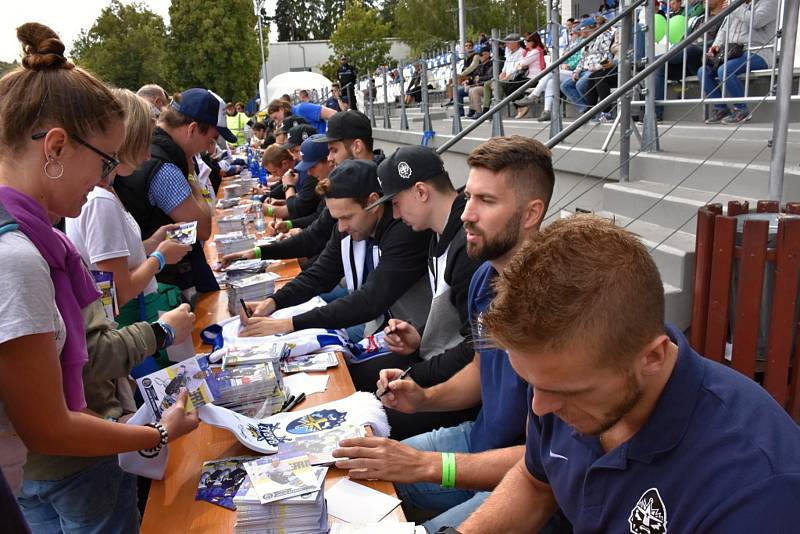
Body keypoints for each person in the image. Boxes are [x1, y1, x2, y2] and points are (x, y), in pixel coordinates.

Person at [458, 215, 800, 533]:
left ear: (652, 357)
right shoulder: (555, 380)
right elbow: (535, 482)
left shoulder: (758, 491)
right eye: (532, 383)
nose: (538, 407)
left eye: (568, 391)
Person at [0, 21, 198, 499]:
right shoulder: (18, 257)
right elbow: (49, 428)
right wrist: (157, 433)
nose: (105, 179)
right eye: (106, 161)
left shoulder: (30, 235)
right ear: (56, 147)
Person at [332, 136, 555, 532]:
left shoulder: (558, 307)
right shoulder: (487, 276)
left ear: (531, 213)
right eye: (469, 197)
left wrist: (426, 465)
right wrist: (423, 399)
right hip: (478, 438)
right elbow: (481, 369)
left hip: (523, 477)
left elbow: (549, 464)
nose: (466, 214)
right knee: (354, 473)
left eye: (486, 201)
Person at [348, 146, 483, 439]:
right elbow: (457, 328)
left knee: (362, 426)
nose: (395, 215)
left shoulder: (467, 246)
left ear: (421, 192)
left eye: (396, 202)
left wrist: (412, 378)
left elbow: (477, 349)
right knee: (354, 380)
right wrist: (420, 334)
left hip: (464, 391)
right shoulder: (437, 233)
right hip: (439, 365)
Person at [239, 159, 431, 340]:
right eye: (337, 218)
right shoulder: (350, 227)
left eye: (346, 217)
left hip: (410, 337)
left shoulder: (405, 231)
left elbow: (370, 300)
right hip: (378, 324)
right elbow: (320, 273)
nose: (340, 227)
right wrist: (273, 302)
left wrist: (288, 324)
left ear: (373, 202)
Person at [115, 88, 237, 299]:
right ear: (191, 129)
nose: (210, 149)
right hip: (161, 288)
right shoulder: (165, 168)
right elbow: (203, 229)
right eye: (211, 140)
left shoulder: (158, 152)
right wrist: (191, 176)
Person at [221, 110, 379, 269]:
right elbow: (317, 236)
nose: (330, 158)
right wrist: (258, 252)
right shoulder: (345, 181)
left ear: (357, 146)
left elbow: (299, 211)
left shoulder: (384, 186)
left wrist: (286, 192)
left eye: (333, 150)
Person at [698, 0, 778, 124]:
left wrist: (734, 7)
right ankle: (721, 109)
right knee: (703, 71)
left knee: (725, 69)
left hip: (758, 52)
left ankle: (741, 110)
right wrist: (715, 47)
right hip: (732, 52)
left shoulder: (770, 2)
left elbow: (757, 21)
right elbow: (723, 30)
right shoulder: (738, 5)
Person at [481, 33, 526, 114]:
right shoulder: (509, 53)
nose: (506, 45)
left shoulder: (522, 52)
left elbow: (517, 69)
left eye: (509, 43)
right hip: (506, 78)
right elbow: (504, 70)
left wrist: (502, 79)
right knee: (487, 84)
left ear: (516, 43)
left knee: (498, 84)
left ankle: (496, 110)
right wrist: (498, 78)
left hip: (514, 78)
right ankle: (485, 110)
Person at [513, 33, 547, 119]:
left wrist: (520, 64)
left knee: (512, 86)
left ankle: (521, 107)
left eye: (528, 41)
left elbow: (523, 63)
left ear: (534, 41)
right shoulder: (529, 51)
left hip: (535, 78)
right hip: (529, 76)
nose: (526, 43)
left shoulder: (536, 51)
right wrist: (520, 64)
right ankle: (520, 107)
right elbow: (520, 63)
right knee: (510, 85)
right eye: (525, 41)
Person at [267, 98, 335, 135]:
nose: (276, 122)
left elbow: (333, 114)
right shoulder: (288, 123)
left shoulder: (301, 109)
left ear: (281, 109)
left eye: (275, 117)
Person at [467, 48, 494, 119]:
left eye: (482, 55)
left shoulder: (492, 64)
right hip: (481, 85)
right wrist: (469, 81)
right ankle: (473, 110)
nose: (480, 57)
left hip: (488, 86)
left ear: (487, 55)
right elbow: (475, 77)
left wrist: (480, 79)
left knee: (475, 90)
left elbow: (491, 76)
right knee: (471, 89)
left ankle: (479, 112)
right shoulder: (480, 65)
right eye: (480, 55)